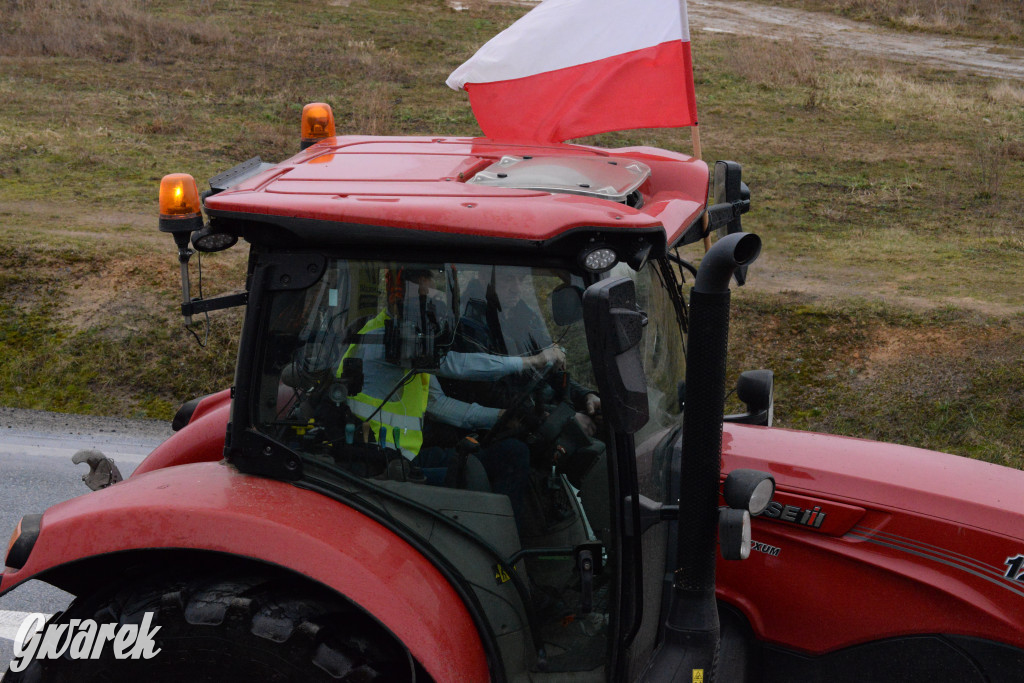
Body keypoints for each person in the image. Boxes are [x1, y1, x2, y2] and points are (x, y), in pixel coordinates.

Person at [341, 266, 563, 526]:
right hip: (383, 465)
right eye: (421, 301)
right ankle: (494, 539)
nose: (429, 311)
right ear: (396, 298)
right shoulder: (384, 341)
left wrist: (499, 417)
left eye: (433, 301)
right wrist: (532, 360)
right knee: (481, 470)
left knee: (511, 452)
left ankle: (506, 535)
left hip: (405, 454)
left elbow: (438, 404)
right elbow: (458, 365)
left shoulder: (407, 339)